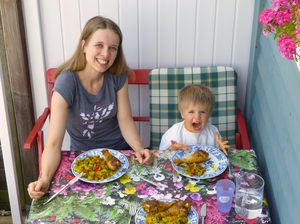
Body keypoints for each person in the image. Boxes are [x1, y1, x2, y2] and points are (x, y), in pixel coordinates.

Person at [28, 16, 152, 200]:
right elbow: (54, 143)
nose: (106, 54)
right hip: (83, 160)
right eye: (99, 45)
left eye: (113, 48)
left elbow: (124, 119)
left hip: (120, 155)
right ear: (84, 45)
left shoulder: (118, 75)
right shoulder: (67, 83)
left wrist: (139, 148)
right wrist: (44, 178)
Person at [159, 84, 230, 154]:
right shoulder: (174, 133)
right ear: (182, 114)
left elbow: (219, 153)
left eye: (202, 112)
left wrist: (222, 149)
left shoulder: (213, 132)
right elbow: (161, 155)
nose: (197, 117)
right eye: (191, 112)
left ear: (209, 115)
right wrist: (171, 149)